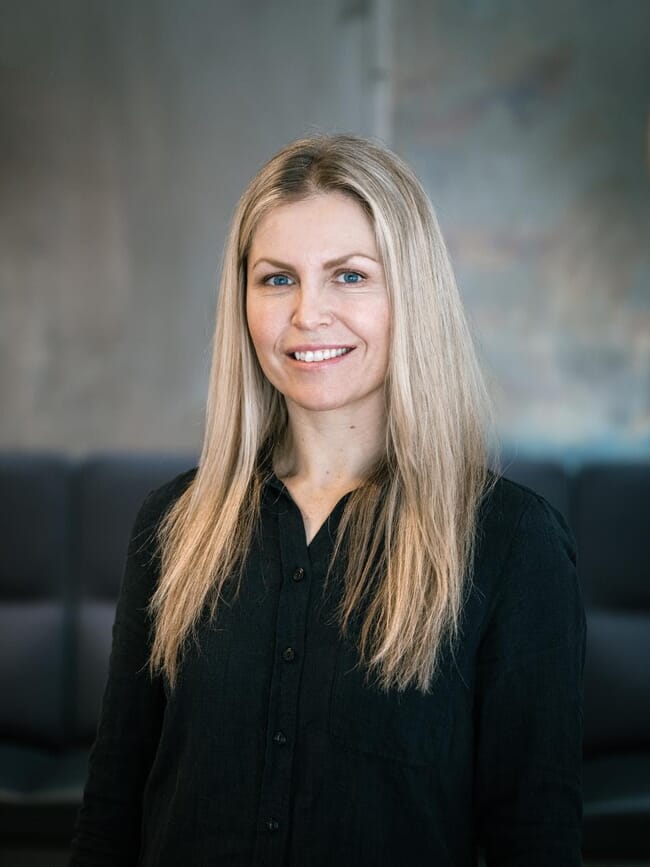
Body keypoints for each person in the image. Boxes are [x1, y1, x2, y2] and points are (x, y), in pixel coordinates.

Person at [70, 134, 586, 866]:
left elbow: (534, 839)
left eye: (348, 276)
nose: (308, 313)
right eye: (277, 280)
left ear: (410, 293)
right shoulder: (172, 525)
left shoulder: (512, 542)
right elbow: (113, 809)